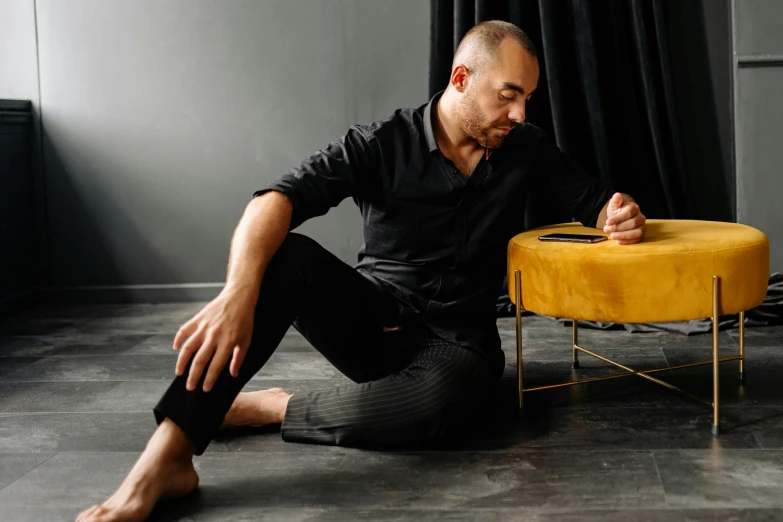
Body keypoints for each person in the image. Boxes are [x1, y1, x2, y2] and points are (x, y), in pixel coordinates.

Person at [76, 20, 646, 522]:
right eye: (509, 95)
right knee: (286, 256)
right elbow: (275, 199)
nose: (520, 113)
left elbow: (596, 201)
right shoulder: (379, 143)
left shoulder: (525, 145)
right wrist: (237, 293)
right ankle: (165, 462)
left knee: (446, 404)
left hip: (460, 343)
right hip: (376, 326)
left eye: (528, 98)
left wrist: (617, 214)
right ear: (462, 79)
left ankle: (269, 407)